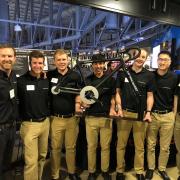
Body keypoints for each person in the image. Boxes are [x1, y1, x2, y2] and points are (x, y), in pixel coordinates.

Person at [115, 48, 154, 180]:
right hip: (124, 114)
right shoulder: (122, 73)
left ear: (145, 59)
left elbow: (150, 96)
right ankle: (119, 170)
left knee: (139, 146)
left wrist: (148, 112)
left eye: (143, 57)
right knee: (121, 145)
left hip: (140, 115)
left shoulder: (149, 75)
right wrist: (119, 109)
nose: (140, 58)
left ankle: (139, 171)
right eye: (138, 56)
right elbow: (117, 93)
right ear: (133, 56)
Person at [80, 54, 117, 180]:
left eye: (101, 63)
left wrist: (112, 109)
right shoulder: (87, 80)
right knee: (91, 147)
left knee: (106, 147)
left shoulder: (110, 79)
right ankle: (91, 171)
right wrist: (84, 104)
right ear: (92, 65)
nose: (99, 66)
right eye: (96, 64)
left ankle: (105, 171)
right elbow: (82, 99)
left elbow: (113, 98)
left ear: (104, 64)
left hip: (106, 118)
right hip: (90, 118)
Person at [47, 49, 81, 180]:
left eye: (64, 59)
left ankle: (71, 172)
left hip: (72, 119)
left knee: (71, 148)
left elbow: (79, 92)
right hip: (55, 119)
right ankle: (54, 174)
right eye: (59, 60)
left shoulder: (75, 75)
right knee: (55, 148)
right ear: (54, 61)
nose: (61, 62)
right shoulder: (49, 75)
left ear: (68, 60)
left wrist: (78, 104)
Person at [145, 50, 178, 180]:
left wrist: (173, 115)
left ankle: (162, 169)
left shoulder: (174, 77)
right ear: (157, 60)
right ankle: (151, 168)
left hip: (168, 116)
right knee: (151, 145)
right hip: (152, 115)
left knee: (165, 147)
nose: (162, 62)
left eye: (165, 60)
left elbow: (176, 97)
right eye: (160, 59)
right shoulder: (150, 76)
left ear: (169, 62)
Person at [17, 50, 50, 180]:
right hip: (29, 125)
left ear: (44, 64)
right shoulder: (21, 82)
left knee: (42, 157)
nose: (38, 66)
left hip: (45, 124)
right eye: (35, 63)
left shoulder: (45, 81)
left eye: (40, 63)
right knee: (31, 162)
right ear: (30, 63)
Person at [0, 44, 18, 179]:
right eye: (3, 56)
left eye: (10, 56)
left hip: (11, 128)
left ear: (15, 59)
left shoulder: (13, 76)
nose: (7, 59)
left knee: (6, 163)